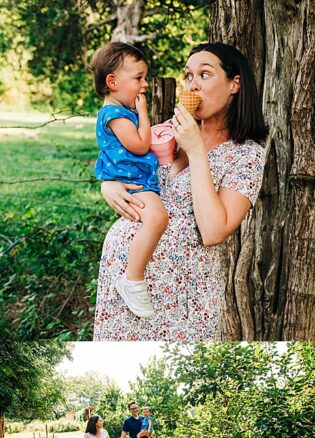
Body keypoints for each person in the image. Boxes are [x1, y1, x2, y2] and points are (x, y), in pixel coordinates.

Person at [93, 42, 268, 341]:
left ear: (234, 84)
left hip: (181, 296)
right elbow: (121, 163)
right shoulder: (162, 134)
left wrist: (197, 151)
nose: (193, 85)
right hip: (125, 286)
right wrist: (108, 185)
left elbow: (214, 232)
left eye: (204, 74)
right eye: (189, 76)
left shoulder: (246, 155)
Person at [90, 43, 169, 319]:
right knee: (158, 218)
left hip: (137, 178)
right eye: (138, 78)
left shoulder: (119, 113)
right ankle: (132, 279)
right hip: (134, 182)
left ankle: (133, 277)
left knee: (156, 218)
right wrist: (144, 114)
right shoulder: (115, 115)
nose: (144, 85)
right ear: (112, 82)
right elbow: (139, 145)